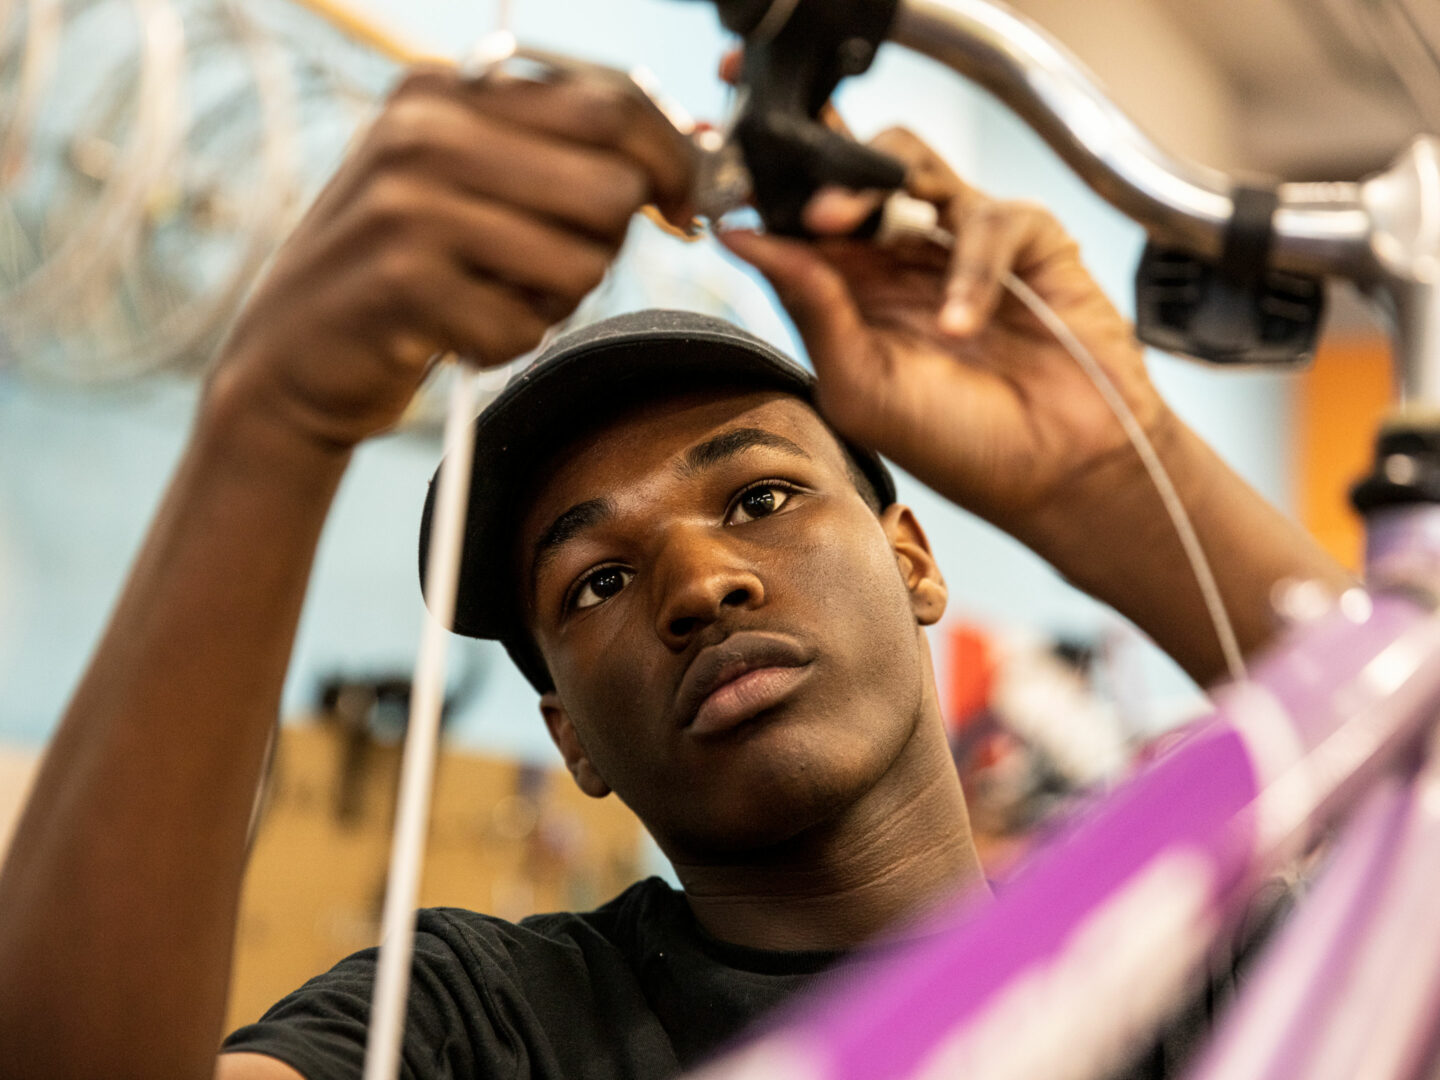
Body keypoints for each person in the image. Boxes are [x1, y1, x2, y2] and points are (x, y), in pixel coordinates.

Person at [0, 60, 1347, 1080]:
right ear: (569, 733)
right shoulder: (486, 1024)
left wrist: (1116, 476)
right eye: (592, 582)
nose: (701, 584)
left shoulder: (1201, 963)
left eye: (760, 496)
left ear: (913, 561)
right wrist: (268, 425)